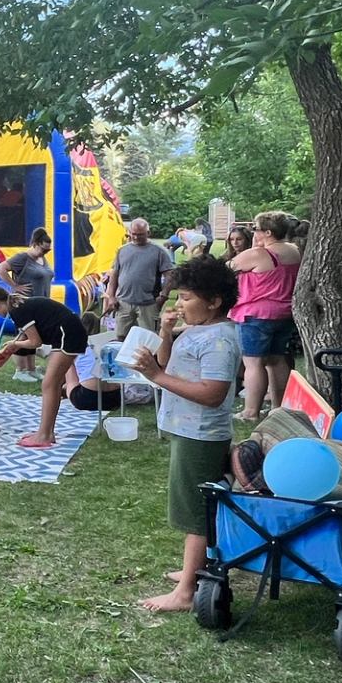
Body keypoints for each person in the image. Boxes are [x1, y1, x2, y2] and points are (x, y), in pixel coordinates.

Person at [126, 256, 242, 612]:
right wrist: (164, 335)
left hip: (202, 435)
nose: (179, 305)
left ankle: (187, 591)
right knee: (193, 505)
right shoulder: (198, 330)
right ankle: (194, 568)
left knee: (196, 511)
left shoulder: (220, 340)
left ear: (214, 301)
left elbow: (213, 393)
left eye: (187, 298)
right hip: (187, 431)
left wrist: (158, 377)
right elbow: (169, 360)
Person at [0, 284, 89, 449]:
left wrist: (14, 343)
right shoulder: (20, 305)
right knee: (51, 384)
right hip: (68, 332)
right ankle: (47, 432)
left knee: (49, 384)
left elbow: (35, 342)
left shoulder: (17, 310)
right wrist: (8, 349)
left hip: (68, 335)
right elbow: (25, 337)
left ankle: (44, 435)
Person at [228, 210, 303, 421]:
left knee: (253, 364)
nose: (254, 232)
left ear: (267, 232)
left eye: (256, 229)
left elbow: (224, 269)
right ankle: (278, 407)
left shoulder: (258, 254)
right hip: (284, 313)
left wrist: (254, 247)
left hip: (256, 315)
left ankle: (250, 411)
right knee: (277, 360)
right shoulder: (294, 250)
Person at [0, 227, 54, 383]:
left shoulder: (42, 259)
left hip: (40, 305)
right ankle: (20, 370)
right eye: (43, 249)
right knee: (23, 335)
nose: (45, 252)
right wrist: (14, 286)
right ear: (35, 243)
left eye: (47, 250)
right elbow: (0, 268)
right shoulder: (22, 258)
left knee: (35, 336)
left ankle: (31, 369)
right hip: (24, 304)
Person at [105, 219, 172, 335]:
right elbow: (114, 274)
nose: (135, 237)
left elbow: (170, 275)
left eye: (140, 234)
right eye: (133, 234)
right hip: (124, 302)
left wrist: (163, 296)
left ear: (148, 233)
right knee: (120, 336)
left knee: (148, 338)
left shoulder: (159, 251)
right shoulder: (122, 250)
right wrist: (111, 296)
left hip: (148, 303)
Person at [64, 311, 124, 413]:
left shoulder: (77, 343)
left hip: (87, 397)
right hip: (115, 398)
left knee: (67, 361)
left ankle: (66, 387)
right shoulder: (108, 342)